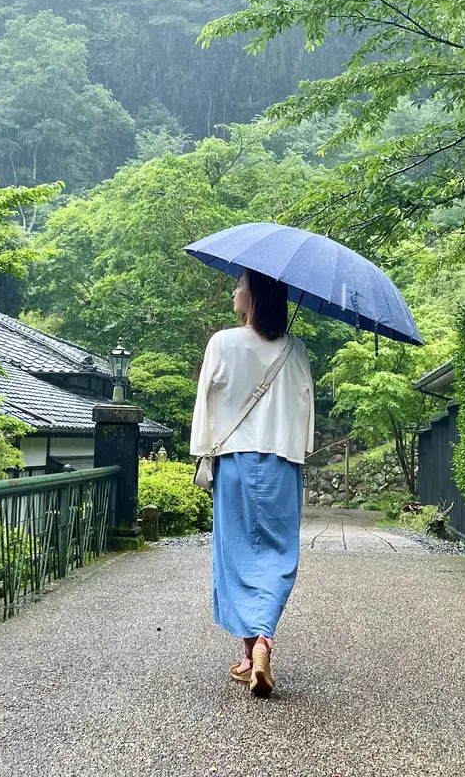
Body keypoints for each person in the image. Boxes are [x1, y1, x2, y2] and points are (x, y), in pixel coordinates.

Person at [190, 268, 314, 696]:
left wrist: (204, 447)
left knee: (237, 552)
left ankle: (251, 650)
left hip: (236, 461)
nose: (234, 291)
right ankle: (262, 642)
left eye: (241, 285)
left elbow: (206, 398)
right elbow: (304, 408)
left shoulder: (222, 342)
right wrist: (297, 450)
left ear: (255, 295)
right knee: (279, 552)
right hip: (281, 460)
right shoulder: (295, 349)